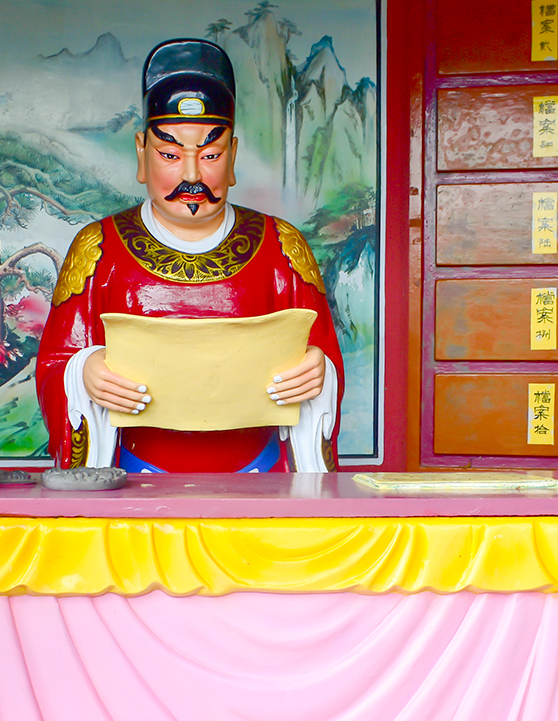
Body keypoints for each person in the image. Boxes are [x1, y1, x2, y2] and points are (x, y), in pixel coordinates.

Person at [35, 38, 344, 473]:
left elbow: (323, 353)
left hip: (260, 474)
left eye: (211, 154)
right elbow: (55, 363)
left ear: (232, 156)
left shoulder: (280, 247)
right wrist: (82, 374)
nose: (193, 175)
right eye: (170, 154)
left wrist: (319, 373)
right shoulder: (100, 249)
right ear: (142, 153)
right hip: (132, 474)